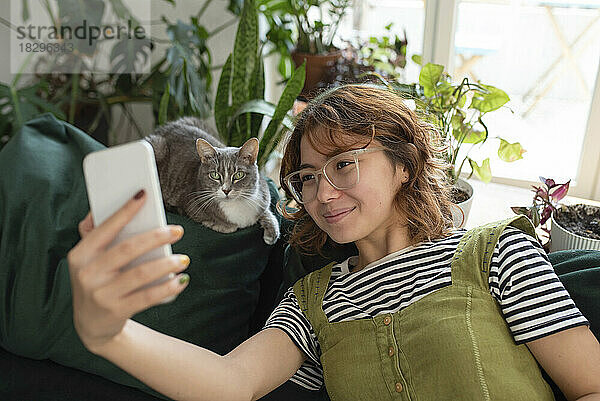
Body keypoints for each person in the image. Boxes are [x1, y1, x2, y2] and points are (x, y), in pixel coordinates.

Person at [68, 84, 600, 401]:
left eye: (344, 164)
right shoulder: (311, 300)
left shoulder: (496, 252)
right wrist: (106, 333)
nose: (321, 192)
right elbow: (229, 384)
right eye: (305, 177)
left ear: (405, 164)